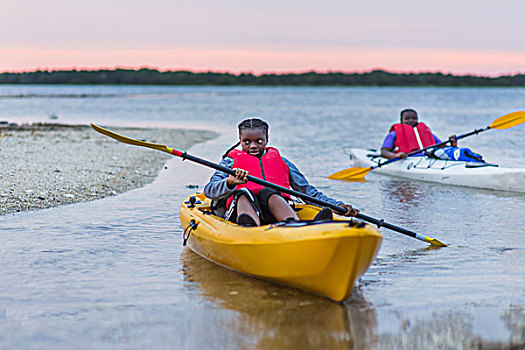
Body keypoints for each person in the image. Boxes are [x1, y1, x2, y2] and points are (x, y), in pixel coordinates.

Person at [204, 118, 359, 227]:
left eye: (259, 141)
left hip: (273, 210)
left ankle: (294, 224)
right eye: (247, 142)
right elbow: (210, 191)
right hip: (241, 213)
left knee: (269, 191)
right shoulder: (229, 163)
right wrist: (230, 182)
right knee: (244, 192)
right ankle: (248, 225)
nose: (253, 146)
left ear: (267, 139)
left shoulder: (283, 161)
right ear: (240, 140)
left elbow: (306, 191)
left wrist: (336, 206)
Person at [380, 109, 483, 162]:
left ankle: (475, 159)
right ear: (401, 120)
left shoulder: (426, 132)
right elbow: (384, 152)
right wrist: (396, 155)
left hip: (430, 157)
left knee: (457, 152)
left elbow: (442, 147)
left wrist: (453, 144)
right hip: (410, 159)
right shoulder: (394, 134)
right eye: (407, 118)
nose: (411, 121)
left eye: (414, 118)